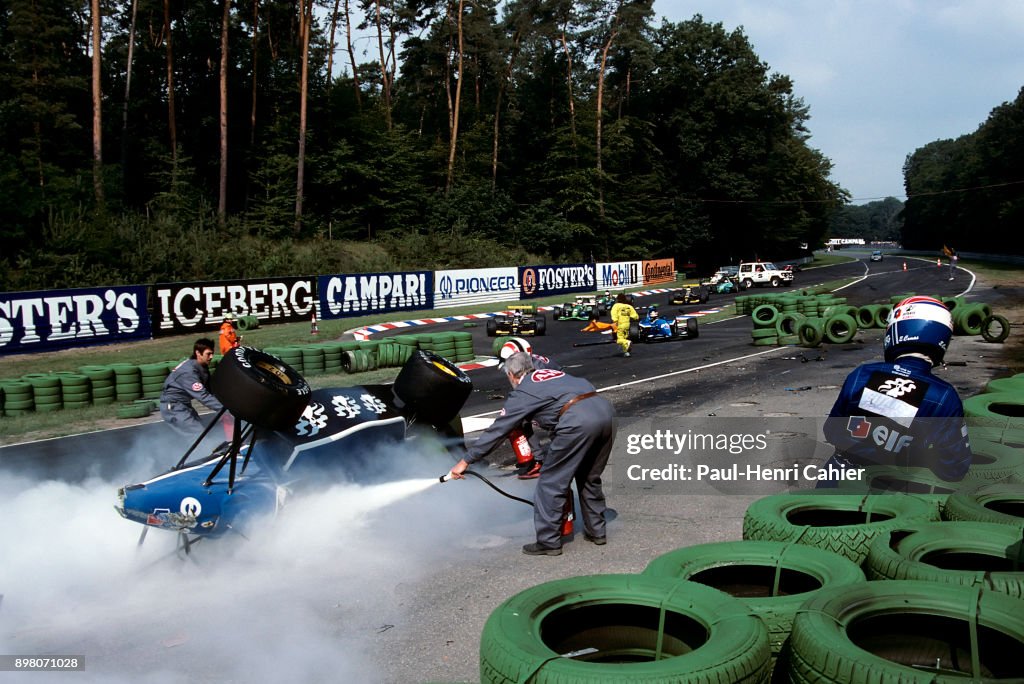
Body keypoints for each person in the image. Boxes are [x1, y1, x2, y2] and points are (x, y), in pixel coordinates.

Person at [449, 352, 616, 556]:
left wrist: (466, 461)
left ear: (511, 374)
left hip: (577, 421)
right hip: (605, 413)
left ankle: (549, 542)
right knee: (589, 476)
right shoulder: (552, 373)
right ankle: (597, 531)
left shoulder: (523, 391)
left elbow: (498, 430)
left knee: (550, 483)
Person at [820, 296, 971, 487]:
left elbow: (831, 431)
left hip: (840, 478)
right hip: (894, 494)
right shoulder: (944, 396)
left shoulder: (862, 375)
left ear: (897, 331)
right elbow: (954, 468)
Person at [497, 337, 561, 480]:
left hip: (558, 401)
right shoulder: (531, 362)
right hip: (561, 395)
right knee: (521, 421)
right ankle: (539, 459)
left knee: (550, 422)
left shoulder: (535, 371)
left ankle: (547, 462)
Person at [160, 338, 226, 437]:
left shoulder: (201, 366)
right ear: (198, 353)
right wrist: (225, 409)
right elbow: (203, 396)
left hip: (183, 405)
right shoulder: (189, 372)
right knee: (198, 436)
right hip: (173, 407)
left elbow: (210, 390)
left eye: (212, 353)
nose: (211, 357)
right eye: (208, 354)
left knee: (203, 432)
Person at [610, 292, 639, 357]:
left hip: (619, 324)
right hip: (627, 325)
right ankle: (626, 352)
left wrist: (614, 322)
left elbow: (614, 315)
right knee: (624, 337)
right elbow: (635, 316)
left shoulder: (616, 306)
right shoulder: (629, 307)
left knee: (619, 340)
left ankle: (627, 343)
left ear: (617, 299)